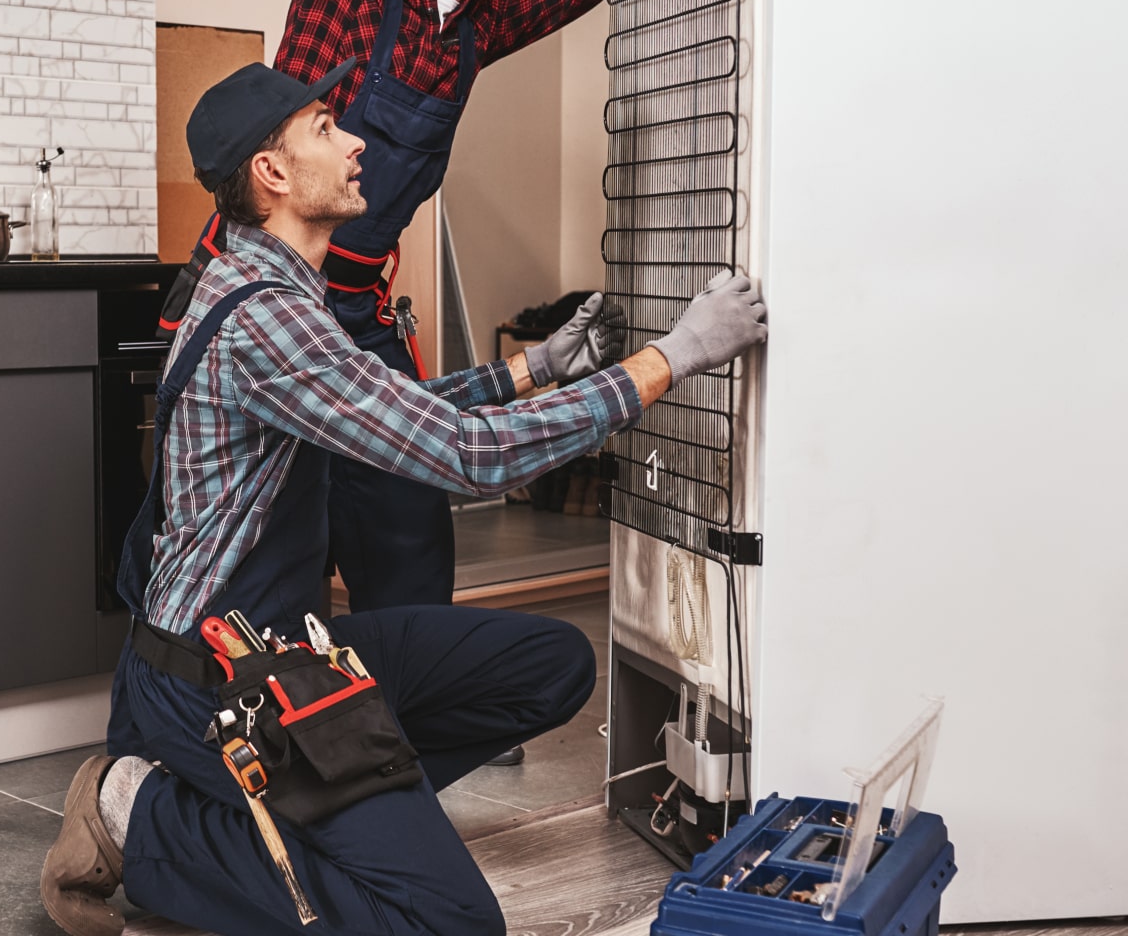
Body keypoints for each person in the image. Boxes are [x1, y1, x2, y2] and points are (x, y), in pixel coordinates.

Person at [39, 63, 766, 936]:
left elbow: (393, 416)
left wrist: (533, 368)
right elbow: (466, 458)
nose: (355, 144)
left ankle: (337, 806)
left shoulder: (270, 290)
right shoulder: (268, 318)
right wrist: (671, 357)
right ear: (271, 175)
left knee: (553, 667)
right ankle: (141, 811)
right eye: (323, 129)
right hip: (219, 685)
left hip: (292, 649)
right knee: (447, 921)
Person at [271, 0, 611, 614]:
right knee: (275, 537)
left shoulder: (476, 30)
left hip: (359, 307)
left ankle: (421, 702)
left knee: (409, 525)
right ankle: (284, 719)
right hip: (273, 293)